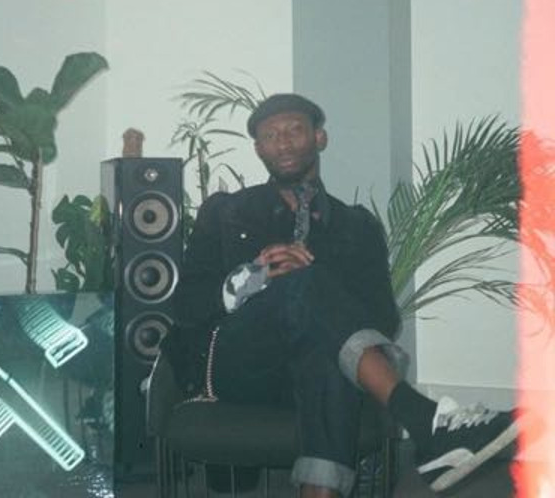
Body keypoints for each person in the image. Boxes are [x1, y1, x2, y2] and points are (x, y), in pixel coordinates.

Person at [166, 93, 519, 497]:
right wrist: (255, 277)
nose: (283, 143)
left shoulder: (358, 226)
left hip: (319, 369)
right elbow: (187, 305)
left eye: (294, 130)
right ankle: (422, 419)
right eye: (270, 136)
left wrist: (321, 290)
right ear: (259, 148)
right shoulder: (225, 211)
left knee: (325, 352)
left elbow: (383, 318)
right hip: (239, 366)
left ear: (319, 137)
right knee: (303, 285)